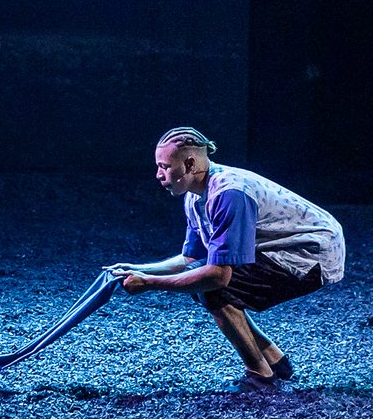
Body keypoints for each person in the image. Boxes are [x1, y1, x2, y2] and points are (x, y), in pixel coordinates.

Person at [105, 127, 345, 393]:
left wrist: (150, 283)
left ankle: (260, 377)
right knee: (201, 282)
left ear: (189, 164)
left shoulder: (229, 194)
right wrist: (136, 269)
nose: (159, 174)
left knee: (213, 288)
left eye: (164, 166)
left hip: (311, 254)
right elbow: (192, 257)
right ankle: (275, 361)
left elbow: (218, 275)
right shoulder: (195, 197)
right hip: (287, 249)